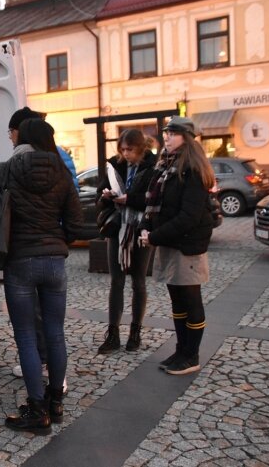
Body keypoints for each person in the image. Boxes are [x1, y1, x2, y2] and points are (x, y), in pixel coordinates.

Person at [0, 118, 83, 434]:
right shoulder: (62, 173)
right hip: (55, 263)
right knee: (55, 332)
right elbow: (76, 226)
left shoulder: (7, 168)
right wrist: (55, 242)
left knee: (26, 335)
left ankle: (37, 411)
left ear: (20, 139)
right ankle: (56, 404)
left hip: (20, 262)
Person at [139, 116, 215, 376]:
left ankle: (191, 355)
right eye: (166, 133)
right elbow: (159, 206)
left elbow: (189, 216)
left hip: (187, 246)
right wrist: (147, 227)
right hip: (171, 242)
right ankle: (181, 350)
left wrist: (155, 236)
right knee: (177, 302)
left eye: (173, 133)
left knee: (190, 300)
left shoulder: (193, 169)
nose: (166, 137)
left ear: (187, 138)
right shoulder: (166, 166)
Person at [96, 129, 157, 354]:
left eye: (129, 150)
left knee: (138, 281)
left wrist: (130, 199)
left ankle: (135, 332)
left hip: (140, 229)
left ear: (141, 149)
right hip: (117, 229)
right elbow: (99, 197)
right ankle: (113, 334)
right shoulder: (114, 165)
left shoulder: (153, 166)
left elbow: (154, 200)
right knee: (116, 281)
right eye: (122, 149)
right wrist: (105, 197)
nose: (125, 154)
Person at [7, 107, 78, 191]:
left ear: (23, 130)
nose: (10, 136)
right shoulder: (59, 155)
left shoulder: (15, 162)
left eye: (11, 131)